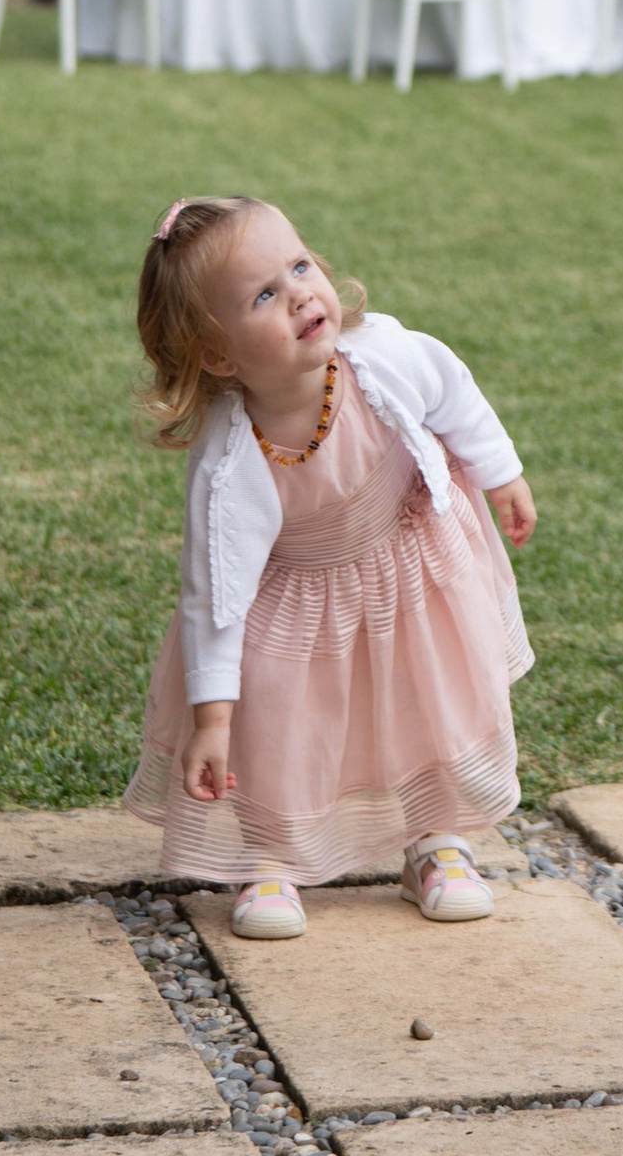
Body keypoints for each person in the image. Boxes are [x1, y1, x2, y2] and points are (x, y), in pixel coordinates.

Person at [124, 195, 539, 943]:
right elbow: (214, 595)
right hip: (292, 605)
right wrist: (211, 718)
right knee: (284, 728)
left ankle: (435, 842)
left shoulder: (382, 356)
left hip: (407, 572)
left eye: (300, 266)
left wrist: (500, 472)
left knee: (426, 704)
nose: (301, 295)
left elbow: (452, 389)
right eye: (264, 295)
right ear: (220, 356)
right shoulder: (232, 460)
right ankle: (270, 856)